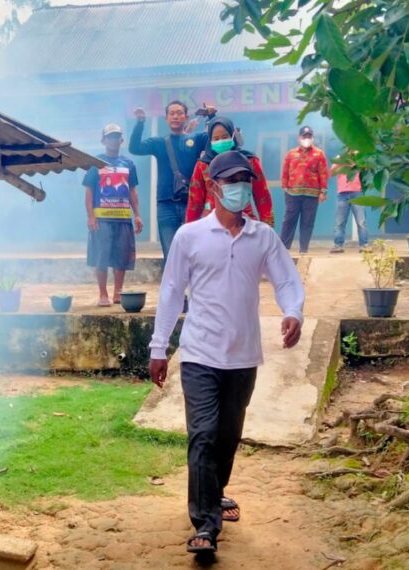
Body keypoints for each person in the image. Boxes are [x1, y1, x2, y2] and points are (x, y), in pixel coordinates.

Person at [148, 150, 305, 556]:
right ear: (214, 187)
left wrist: (293, 312)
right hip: (199, 353)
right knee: (202, 435)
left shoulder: (262, 237)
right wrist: (159, 347)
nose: (240, 187)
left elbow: (286, 280)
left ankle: (215, 493)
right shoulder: (189, 237)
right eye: (232, 181)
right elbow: (171, 293)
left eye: (245, 180)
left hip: (243, 356)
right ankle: (205, 524)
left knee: (227, 436)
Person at [129, 101, 211, 258]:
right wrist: (140, 123)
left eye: (179, 113)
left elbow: (215, 139)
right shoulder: (159, 143)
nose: (175, 116)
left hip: (192, 204)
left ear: (186, 117)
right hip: (166, 205)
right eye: (172, 113)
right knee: (171, 254)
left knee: (195, 251)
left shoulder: (197, 139)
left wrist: (211, 116)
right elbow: (134, 148)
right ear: (166, 118)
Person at [84, 124, 143, 307]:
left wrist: (137, 215)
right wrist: (91, 216)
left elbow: (132, 191)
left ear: (121, 140)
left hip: (123, 218)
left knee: (122, 256)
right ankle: (103, 293)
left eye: (117, 137)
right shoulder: (95, 163)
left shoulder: (128, 164)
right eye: (110, 137)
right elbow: (89, 191)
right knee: (101, 256)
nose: (113, 140)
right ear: (103, 140)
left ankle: (118, 292)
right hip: (102, 219)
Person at [184, 116, 274, 227]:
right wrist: (190, 228)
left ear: (232, 136)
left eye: (225, 137)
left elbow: (262, 196)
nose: (221, 141)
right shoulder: (203, 165)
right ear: (210, 140)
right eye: (216, 138)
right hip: (212, 224)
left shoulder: (249, 161)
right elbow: (195, 202)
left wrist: (268, 225)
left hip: (245, 221)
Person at [280, 126, 328, 254]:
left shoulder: (319, 154)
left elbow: (323, 173)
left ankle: (303, 249)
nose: (306, 138)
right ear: (299, 138)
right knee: (289, 220)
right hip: (292, 193)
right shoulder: (291, 154)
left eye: (309, 136)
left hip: (311, 194)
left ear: (312, 138)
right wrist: (284, 186)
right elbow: (285, 171)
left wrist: (323, 191)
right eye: (304, 136)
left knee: (307, 222)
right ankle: (284, 248)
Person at [329, 156, 369, 253]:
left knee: (361, 221)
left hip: (357, 193)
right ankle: (338, 245)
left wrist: (357, 161)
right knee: (340, 222)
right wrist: (340, 161)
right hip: (342, 194)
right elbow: (331, 173)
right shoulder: (340, 157)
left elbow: (367, 171)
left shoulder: (360, 157)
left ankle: (364, 245)